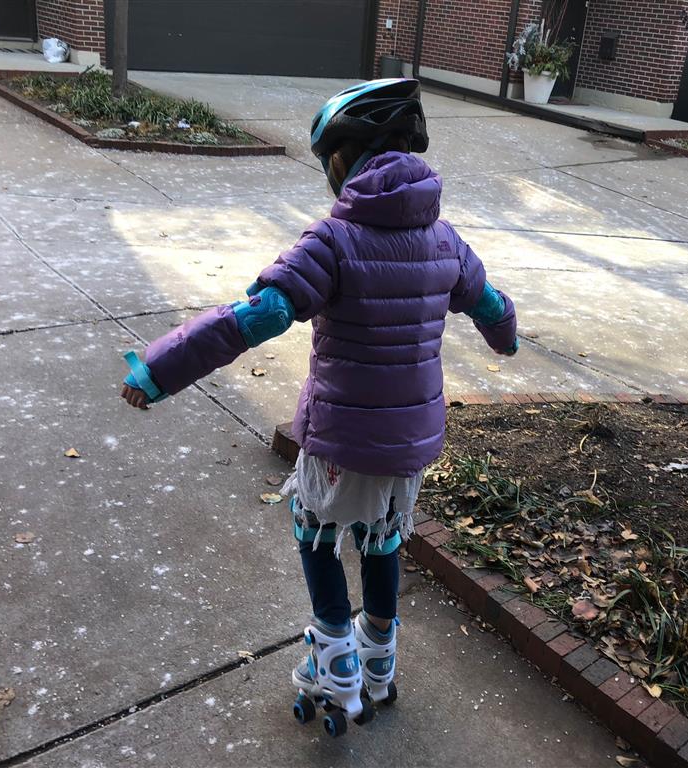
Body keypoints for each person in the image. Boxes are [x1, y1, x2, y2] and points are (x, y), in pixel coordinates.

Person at [120, 78, 517, 736]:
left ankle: (336, 660)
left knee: (317, 533)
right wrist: (507, 339)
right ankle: (379, 654)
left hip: (341, 439)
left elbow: (260, 315)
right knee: (383, 536)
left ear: (344, 160)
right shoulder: (446, 239)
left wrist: (159, 370)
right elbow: (490, 304)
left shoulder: (333, 240)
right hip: (412, 442)